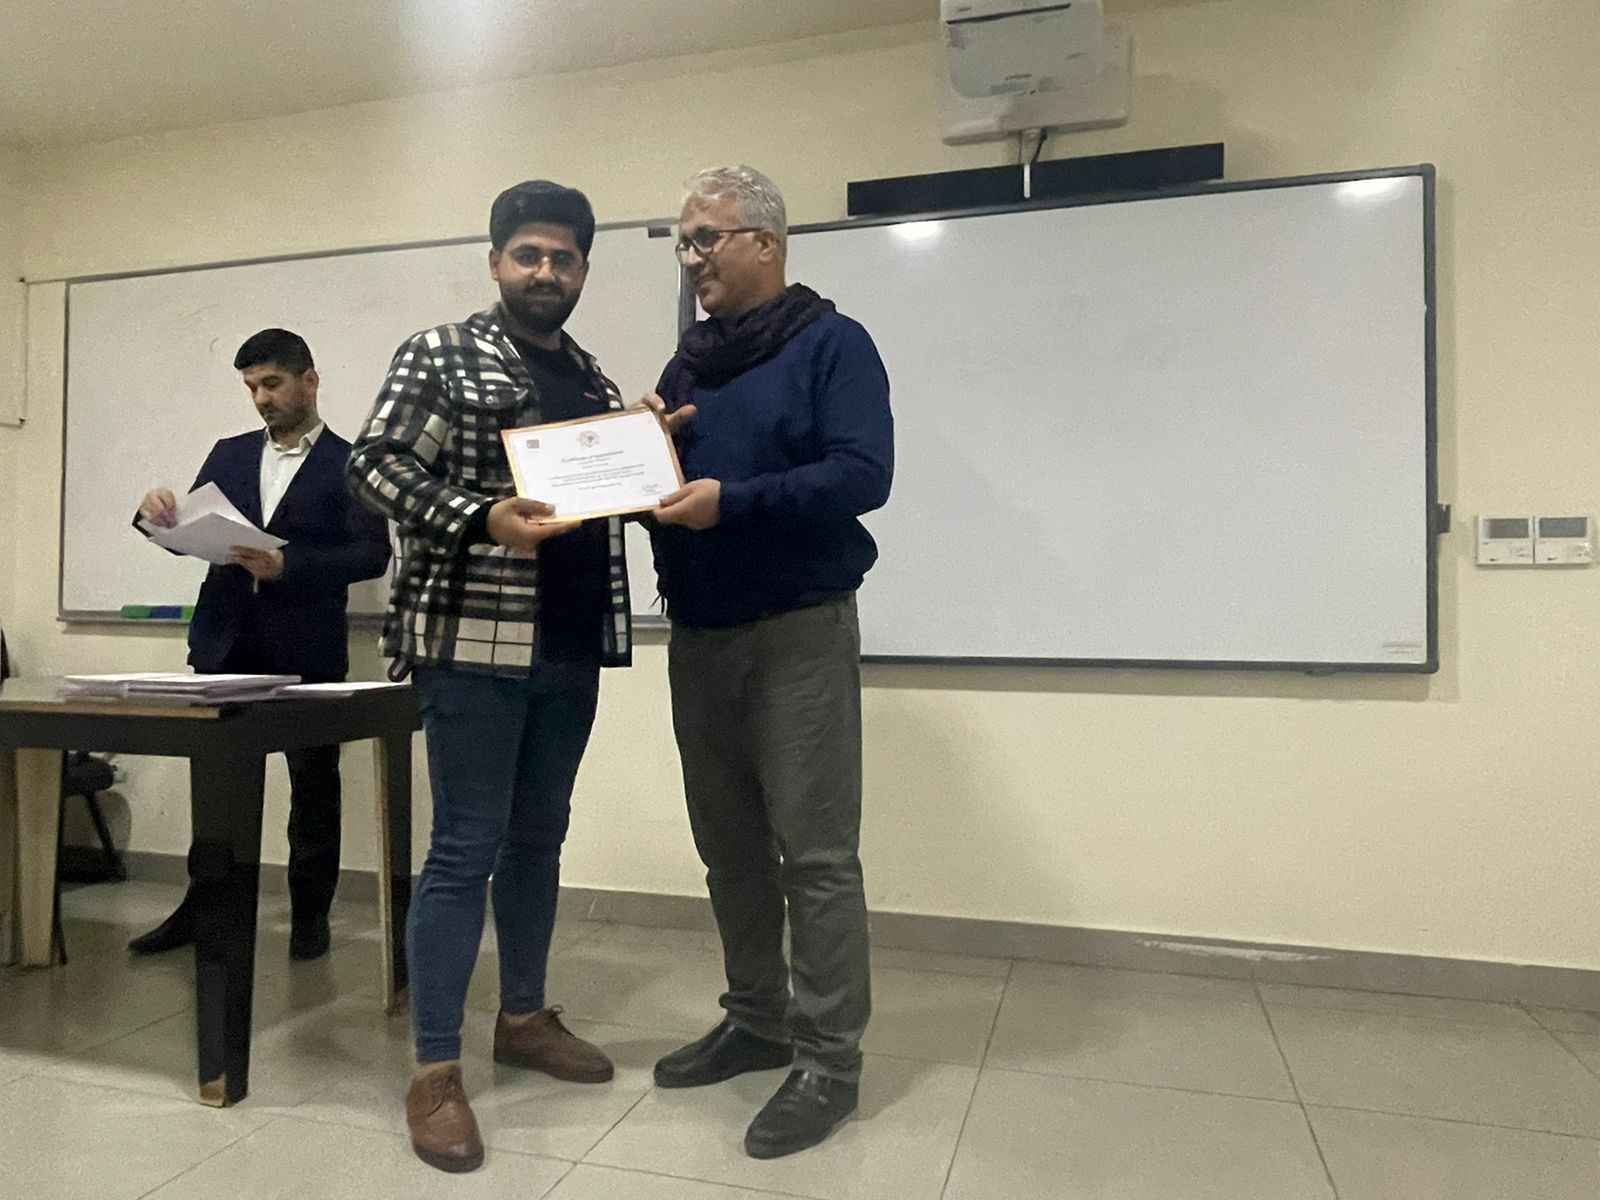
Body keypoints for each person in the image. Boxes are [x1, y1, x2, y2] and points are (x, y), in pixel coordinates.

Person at [347, 180, 634, 1174]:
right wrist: (480, 516)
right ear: (497, 263)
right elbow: (375, 465)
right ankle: (435, 1068)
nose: (546, 271)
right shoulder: (440, 352)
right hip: (472, 643)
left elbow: (606, 489)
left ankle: (521, 1017)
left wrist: (646, 451)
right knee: (464, 848)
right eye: (528, 254)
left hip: (572, 641)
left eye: (563, 257)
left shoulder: (594, 380)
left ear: (583, 270)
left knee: (538, 841)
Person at [645, 165, 894, 1159]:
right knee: (729, 849)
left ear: (765, 242)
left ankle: (829, 1062)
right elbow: (666, 495)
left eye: (707, 238)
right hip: (698, 634)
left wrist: (729, 501)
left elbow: (863, 474)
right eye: (684, 242)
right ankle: (756, 1020)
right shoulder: (689, 365)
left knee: (816, 858)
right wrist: (644, 456)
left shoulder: (834, 343)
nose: (693, 258)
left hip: (798, 631)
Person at [131, 329, 390, 961]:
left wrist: (287, 566)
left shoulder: (353, 462)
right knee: (216, 787)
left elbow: (371, 554)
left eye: (272, 383)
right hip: (223, 641)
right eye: (251, 388)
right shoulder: (229, 454)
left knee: (313, 785)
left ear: (309, 380)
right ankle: (204, 907)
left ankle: (310, 915)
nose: (261, 399)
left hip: (306, 651)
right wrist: (156, 516)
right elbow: (188, 533)